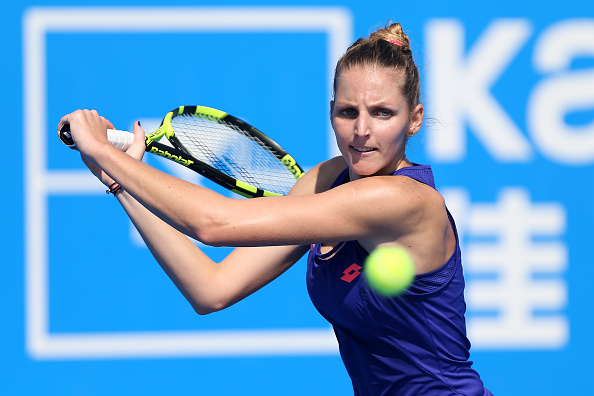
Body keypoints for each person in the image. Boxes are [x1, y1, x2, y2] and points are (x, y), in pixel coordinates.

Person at [58, 21, 492, 396]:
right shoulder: (325, 181)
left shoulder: (405, 201)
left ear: (414, 119)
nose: (361, 131)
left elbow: (213, 222)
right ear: (331, 112)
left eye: (382, 113)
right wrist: (122, 184)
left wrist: (102, 148)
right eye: (347, 112)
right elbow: (212, 288)